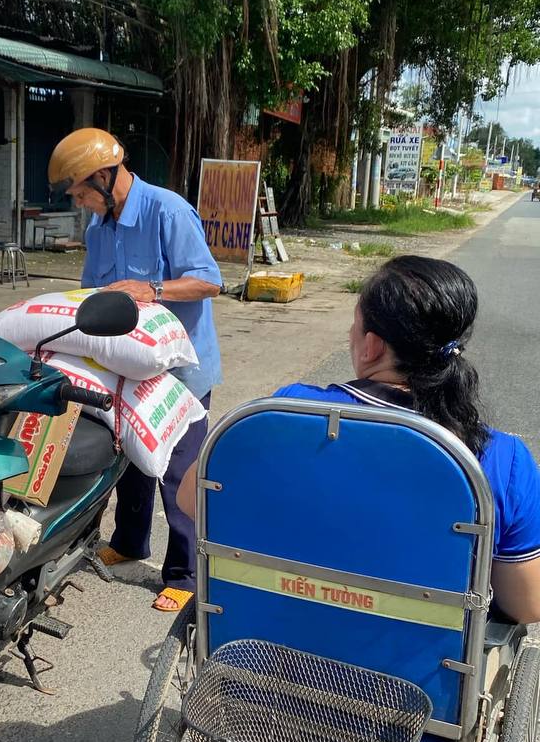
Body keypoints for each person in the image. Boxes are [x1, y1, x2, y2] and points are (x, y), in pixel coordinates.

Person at [178, 255, 540, 622]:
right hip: (414, 677)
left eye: (353, 325)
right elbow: (527, 605)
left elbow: (190, 497)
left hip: (264, 649)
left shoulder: (282, 413)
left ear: (372, 346)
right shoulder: (499, 458)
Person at [48, 127, 223, 613]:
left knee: (178, 470)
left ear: (104, 176)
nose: (81, 202)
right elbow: (92, 295)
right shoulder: (98, 229)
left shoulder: (168, 211)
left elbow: (210, 281)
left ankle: (186, 573)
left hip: (182, 371)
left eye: (83, 192)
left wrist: (153, 289)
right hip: (128, 368)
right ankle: (129, 542)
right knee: (129, 457)